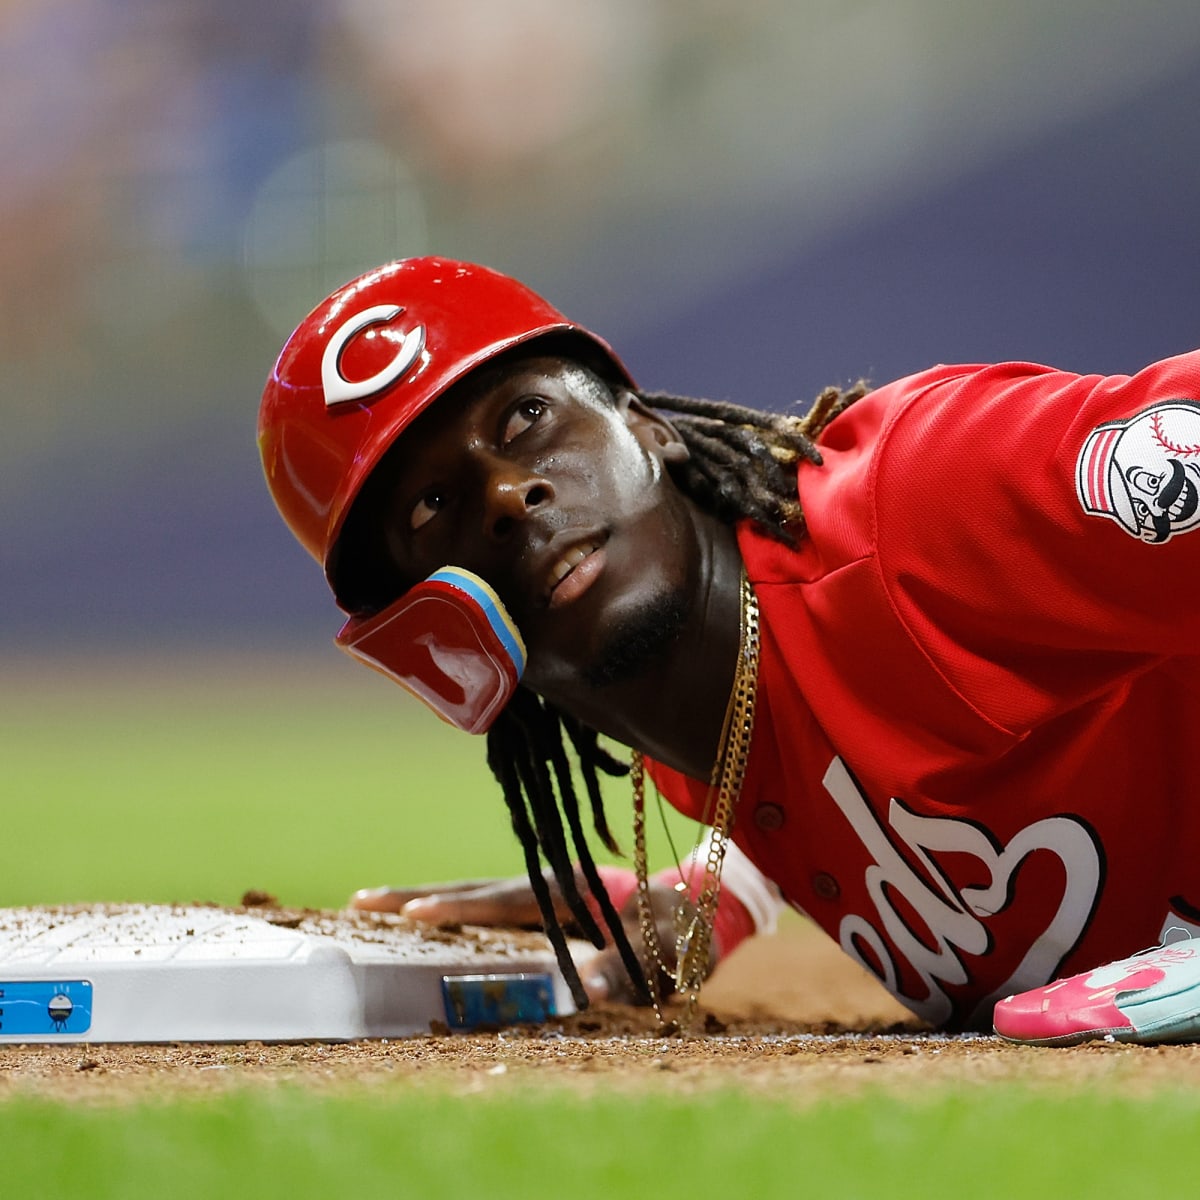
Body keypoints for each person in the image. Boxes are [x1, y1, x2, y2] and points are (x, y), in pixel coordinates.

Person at [258, 256, 1200, 1039]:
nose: (509, 496)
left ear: (647, 428)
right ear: (431, 636)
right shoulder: (703, 728)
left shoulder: (924, 505)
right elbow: (827, 712)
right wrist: (727, 888)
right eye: (433, 507)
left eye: (527, 420)